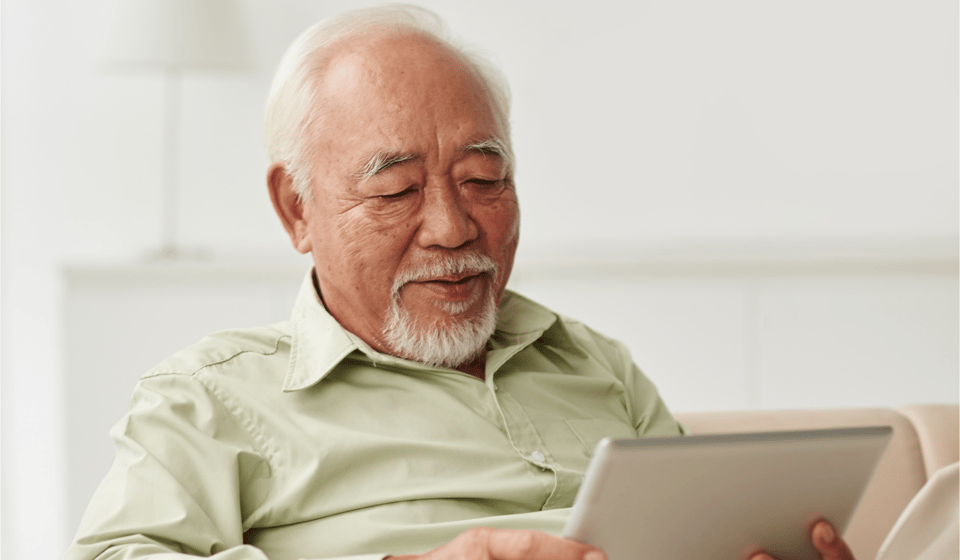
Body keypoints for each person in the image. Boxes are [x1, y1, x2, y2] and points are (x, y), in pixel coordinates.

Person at [63, 5, 858, 560]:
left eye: (484, 177)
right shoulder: (209, 400)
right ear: (295, 208)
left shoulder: (594, 365)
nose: (451, 226)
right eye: (396, 189)